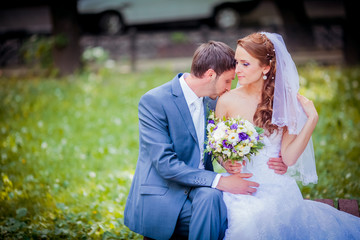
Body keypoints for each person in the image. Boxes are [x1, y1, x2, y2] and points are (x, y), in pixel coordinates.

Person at [124, 41, 288, 240]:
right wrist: (221, 181)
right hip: (166, 192)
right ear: (210, 75)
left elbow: (221, 143)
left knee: (217, 202)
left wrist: (234, 159)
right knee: (225, 216)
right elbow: (165, 164)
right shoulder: (154, 101)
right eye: (228, 81)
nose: (229, 88)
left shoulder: (214, 101)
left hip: (202, 190)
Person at [215, 32, 360, 239]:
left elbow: (289, 158)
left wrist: (312, 120)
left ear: (266, 67)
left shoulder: (284, 102)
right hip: (239, 183)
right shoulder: (227, 101)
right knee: (243, 219)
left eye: (245, 64)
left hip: (274, 186)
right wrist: (226, 162)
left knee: (266, 218)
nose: (237, 70)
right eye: (236, 62)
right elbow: (218, 148)